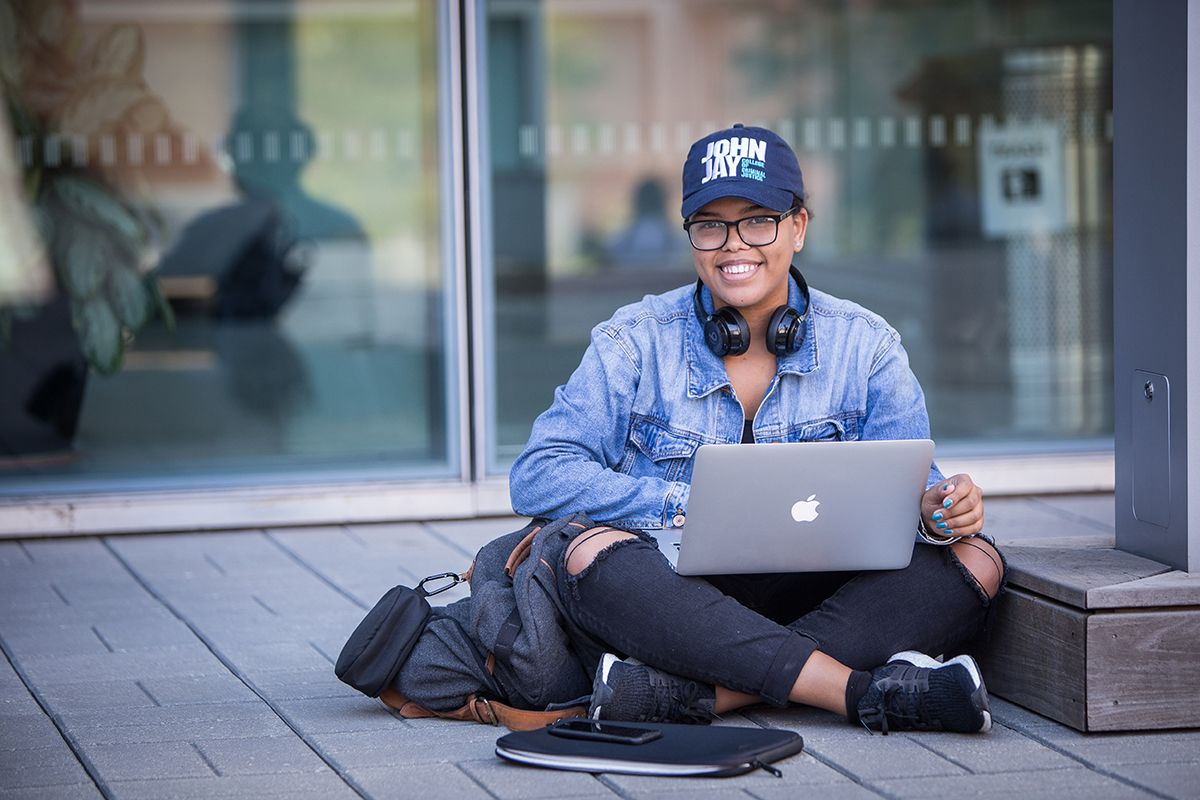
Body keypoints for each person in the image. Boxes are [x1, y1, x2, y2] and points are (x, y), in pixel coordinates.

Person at [508, 124, 1005, 734]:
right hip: (674, 593)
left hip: (816, 589)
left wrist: (941, 509)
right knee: (588, 554)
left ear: (798, 226)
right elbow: (538, 474)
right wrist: (686, 505)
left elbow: (913, 494)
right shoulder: (633, 340)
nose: (733, 244)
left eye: (757, 220)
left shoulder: (866, 345)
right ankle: (863, 693)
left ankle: (696, 696)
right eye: (710, 224)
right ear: (691, 236)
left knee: (976, 559)